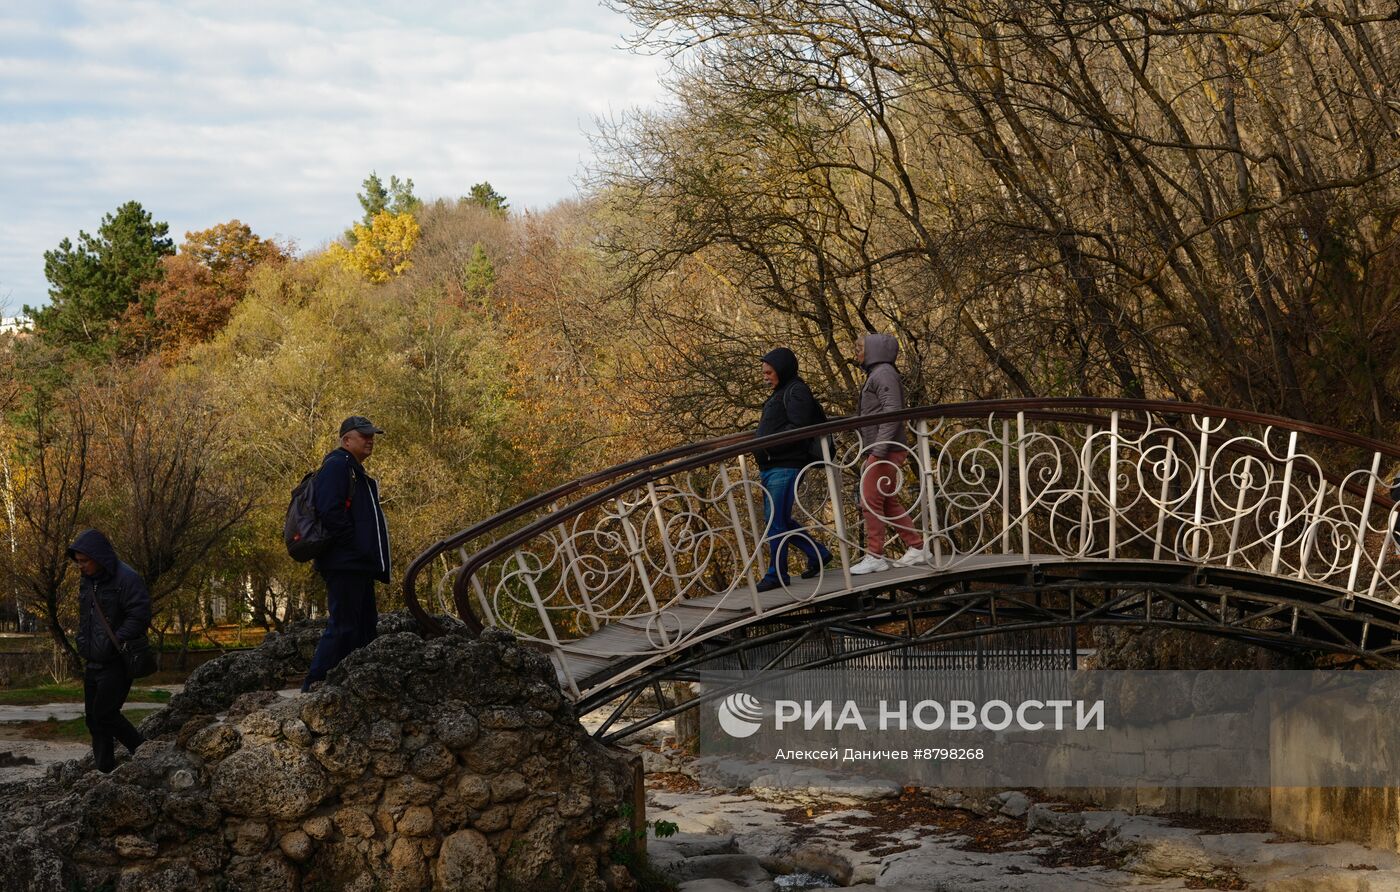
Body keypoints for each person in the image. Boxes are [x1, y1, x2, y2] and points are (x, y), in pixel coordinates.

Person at [301, 415, 391, 692]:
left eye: (372, 434)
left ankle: (354, 687)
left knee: (364, 628)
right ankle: (313, 686)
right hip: (345, 563)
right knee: (343, 626)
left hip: (357, 564)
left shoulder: (353, 469)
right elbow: (330, 511)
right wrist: (355, 546)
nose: (370, 440)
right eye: (363, 435)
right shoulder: (338, 466)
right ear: (346, 439)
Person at [69, 528, 150, 773]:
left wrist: (115, 639)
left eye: (84, 561)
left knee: (105, 713)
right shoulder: (88, 581)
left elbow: (140, 614)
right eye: (78, 562)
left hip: (117, 660)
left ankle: (144, 750)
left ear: (98, 557)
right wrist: (82, 641)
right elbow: (87, 617)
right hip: (93, 660)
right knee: (94, 720)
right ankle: (105, 769)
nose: (80, 566)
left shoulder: (127, 578)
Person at [754, 347, 833, 591]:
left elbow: (800, 428)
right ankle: (818, 554)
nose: (766, 377)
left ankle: (777, 573)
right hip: (772, 464)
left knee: (775, 522)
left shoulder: (796, 391)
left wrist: (771, 445)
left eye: (769, 372)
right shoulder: (782, 392)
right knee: (777, 520)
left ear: (782, 369)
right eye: (764, 373)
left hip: (786, 464)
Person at [849, 333, 930, 575]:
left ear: (874, 350)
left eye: (860, 349)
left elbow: (892, 411)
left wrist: (877, 450)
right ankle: (917, 547)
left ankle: (875, 556)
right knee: (887, 500)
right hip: (884, 447)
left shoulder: (883, 373)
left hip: (886, 449)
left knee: (870, 502)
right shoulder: (879, 373)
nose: (857, 354)